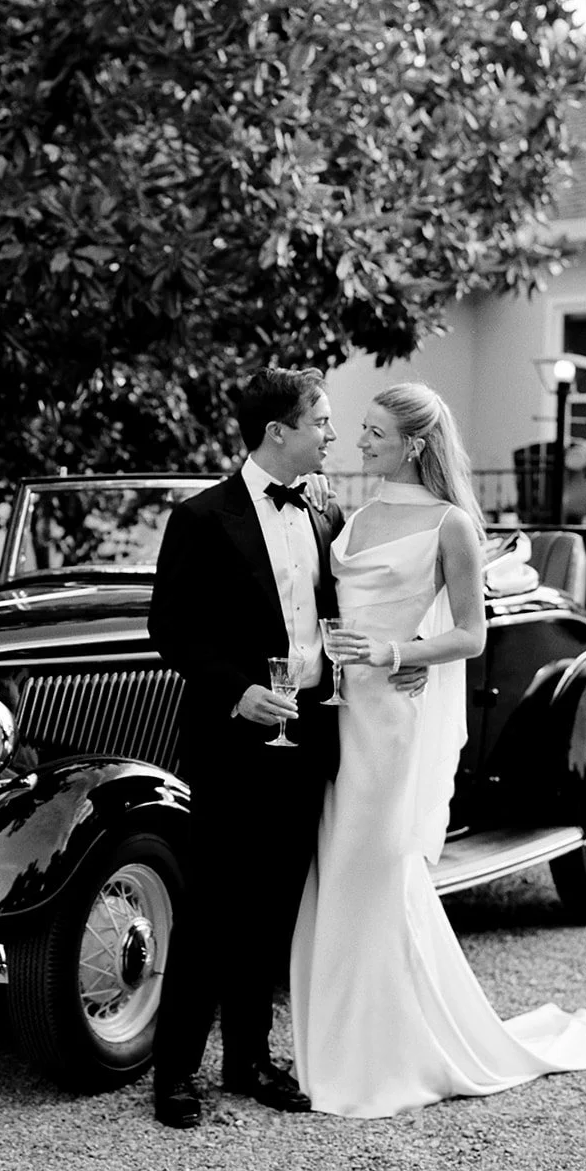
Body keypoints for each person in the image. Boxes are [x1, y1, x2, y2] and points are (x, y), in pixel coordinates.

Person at [290, 381, 586, 1118]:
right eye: (359, 429)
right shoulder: (354, 517)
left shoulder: (452, 524)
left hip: (391, 715)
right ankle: (334, 1045)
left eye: (374, 431)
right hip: (341, 711)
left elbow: (471, 634)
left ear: (413, 444)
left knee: (378, 866)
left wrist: (397, 653)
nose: (358, 441)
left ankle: (392, 1053)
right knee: (336, 869)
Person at [147, 366, 426, 1130]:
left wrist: (403, 663)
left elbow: (364, 605)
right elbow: (171, 629)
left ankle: (249, 1061)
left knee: (274, 906)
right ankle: (175, 1074)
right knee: (211, 905)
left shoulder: (325, 512)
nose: (333, 434)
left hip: (311, 731)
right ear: (279, 431)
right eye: (321, 421)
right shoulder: (201, 518)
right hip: (233, 738)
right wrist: (237, 691)